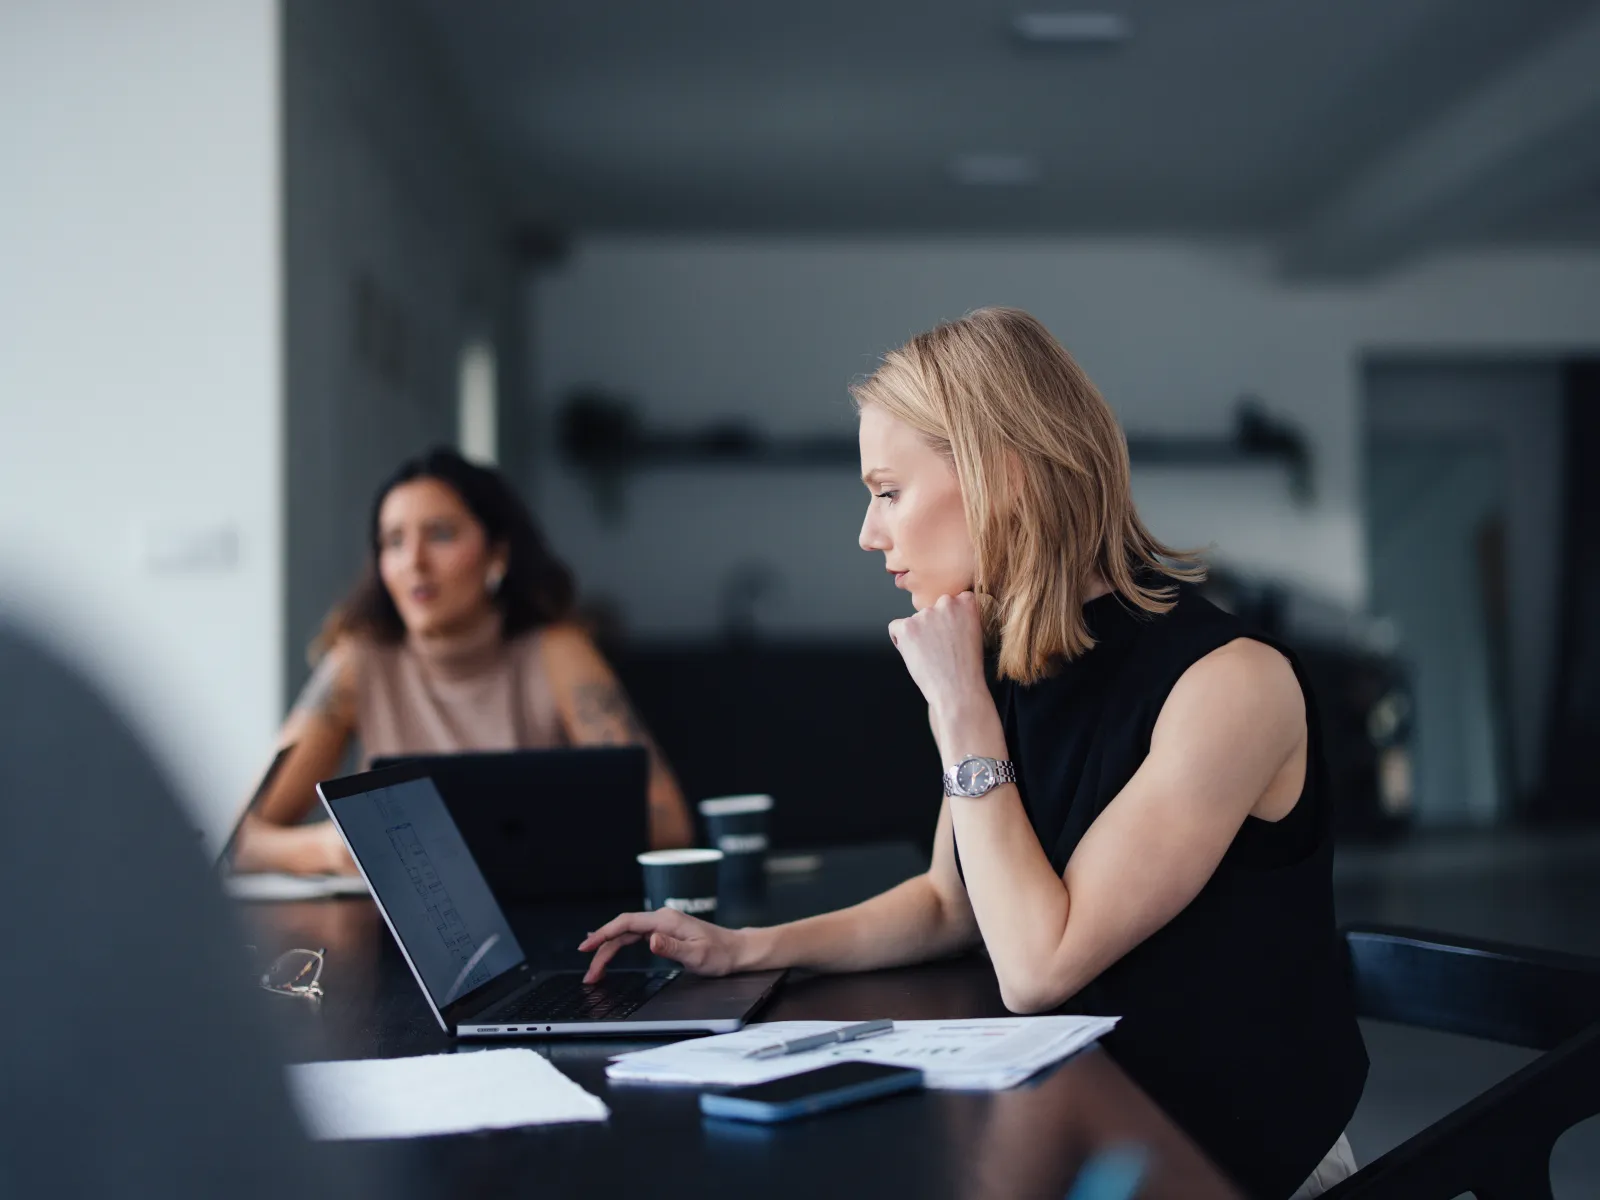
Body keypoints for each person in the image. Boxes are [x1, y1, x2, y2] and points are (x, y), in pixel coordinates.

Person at [579, 309, 1368, 1199]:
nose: (869, 534)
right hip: (1087, 1125)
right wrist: (748, 948)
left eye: (888, 491)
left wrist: (959, 707)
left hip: (1230, 1159)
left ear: (1004, 476)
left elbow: (1037, 966)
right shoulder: (1005, 659)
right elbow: (954, 904)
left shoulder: (1230, 685)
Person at [234, 448, 693, 875]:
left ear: (497, 554)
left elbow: (669, 823)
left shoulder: (556, 653)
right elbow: (241, 835)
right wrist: (330, 849)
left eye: (440, 534)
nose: (414, 562)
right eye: (393, 541)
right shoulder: (357, 663)